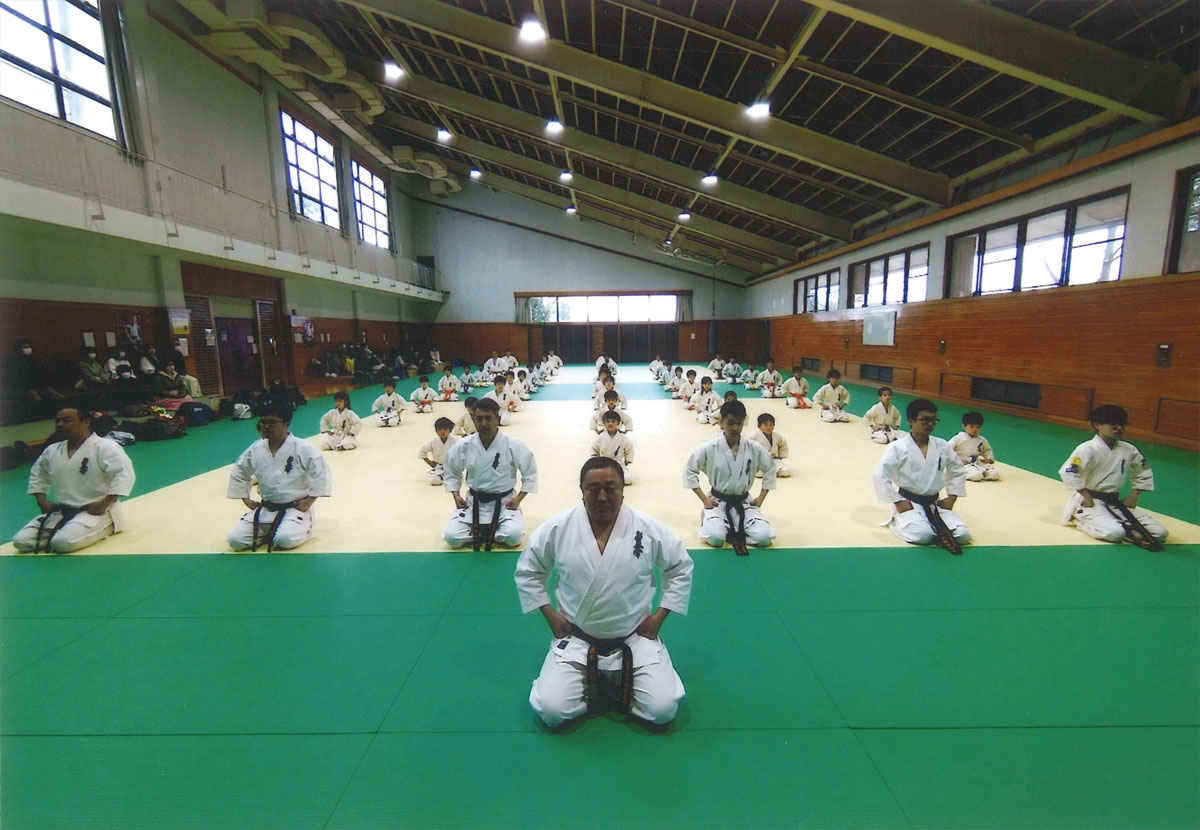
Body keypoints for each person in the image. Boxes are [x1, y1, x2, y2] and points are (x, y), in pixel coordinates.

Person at [516, 457, 692, 727]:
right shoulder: (557, 528)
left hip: (634, 638)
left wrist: (659, 616)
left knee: (662, 710)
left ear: (623, 489)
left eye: (610, 488)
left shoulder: (646, 527)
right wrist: (551, 615)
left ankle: (610, 684)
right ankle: (603, 685)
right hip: (577, 639)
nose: (602, 497)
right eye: (593, 489)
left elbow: (680, 566)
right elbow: (529, 571)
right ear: (581, 490)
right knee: (551, 711)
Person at [12, 407, 135, 554]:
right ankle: (68, 529)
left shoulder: (106, 447)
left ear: (86, 422)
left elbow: (123, 476)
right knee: (21, 541)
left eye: (67, 420)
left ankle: (109, 524)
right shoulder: (52, 450)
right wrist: (42, 501)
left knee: (62, 543)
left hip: (96, 511)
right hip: (63, 511)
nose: (60, 425)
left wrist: (104, 504)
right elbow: (38, 474)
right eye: (57, 421)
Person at [1058, 404, 1167, 550]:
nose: (1119, 428)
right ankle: (1079, 518)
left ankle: (1118, 525)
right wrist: (1085, 495)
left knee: (1160, 533)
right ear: (1097, 425)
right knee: (1115, 534)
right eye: (1113, 424)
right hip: (1089, 501)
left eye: (1122, 424)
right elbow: (1069, 471)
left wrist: (1134, 495)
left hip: (1115, 501)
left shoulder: (1129, 449)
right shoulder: (1087, 448)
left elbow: (1142, 471)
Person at [227, 402, 331, 552]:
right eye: (263, 422)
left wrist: (310, 500)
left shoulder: (302, 447)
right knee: (235, 541)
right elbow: (240, 471)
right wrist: (245, 498)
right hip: (266, 509)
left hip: (294, 509)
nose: (266, 427)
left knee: (285, 540)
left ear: (286, 424)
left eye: (272, 422)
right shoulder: (256, 448)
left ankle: (303, 527)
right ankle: (271, 531)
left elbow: (322, 473)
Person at [873, 399, 971, 554]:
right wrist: (898, 502)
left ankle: (928, 524)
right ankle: (897, 520)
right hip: (909, 503)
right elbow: (880, 475)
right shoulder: (897, 447)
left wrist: (952, 497)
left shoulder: (942, 445)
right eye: (925, 420)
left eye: (933, 420)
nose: (930, 424)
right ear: (911, 421)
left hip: (935, 503)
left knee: (962, 535)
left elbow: (957, 470)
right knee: (923, 536)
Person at [442, 397, 537, 550]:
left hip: (504, 501)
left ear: (497, 418)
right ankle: (489, 533)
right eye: (479, 419)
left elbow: (530, 473)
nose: (484, 423)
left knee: (513, 537)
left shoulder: (513, 444)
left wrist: (518, 499)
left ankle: (483, 532)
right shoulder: (464, 445)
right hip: (474, 501)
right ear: (473, 419)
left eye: (488, 418)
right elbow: (452, 472)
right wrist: (456, 496)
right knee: (451, 537)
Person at [684, 400, 776, 555]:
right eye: (730, 423)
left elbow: (770, 469)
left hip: (744, 502)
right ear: (721, 422)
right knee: (715, 538)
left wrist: (761, 498)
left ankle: (730, 527)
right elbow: (689, 470)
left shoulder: (753, 448)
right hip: (717, 502)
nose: (735, 428)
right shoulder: (709, 448)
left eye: (739, 423)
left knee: (764, 538)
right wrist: (704, 500)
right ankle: (713, 520)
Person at [949, 412, 1000, 481]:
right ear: (964, 426)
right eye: (971, 427)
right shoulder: (958, 438)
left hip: (976, 462)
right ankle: (959, 474)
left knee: (994, 474)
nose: (974, 430)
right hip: (962, 462)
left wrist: (988, 458)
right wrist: (954, 460)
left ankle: (982, 473)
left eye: (978, 427)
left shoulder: (982, 440)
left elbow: (987, 450)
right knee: (976, 476)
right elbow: (948, 449)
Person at [591, 410, 635, 483]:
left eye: (613, 421)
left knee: (628, 479)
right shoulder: (601, 437)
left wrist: (628, 460)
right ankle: (612, 480)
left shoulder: (622, 437)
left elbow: (629, 449)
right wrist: (595, 460)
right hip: (604, 463)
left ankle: (612, 480)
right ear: (604, 424)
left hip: (618, 463)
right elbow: (594, 449)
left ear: (618, 423)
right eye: (608, 421)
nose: (610, 423)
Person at [418, 417, 460, 486]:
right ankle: (443, 477)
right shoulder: (433, 442)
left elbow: (463, 454)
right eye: (439, 429)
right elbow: (422, 452)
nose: (442, 432)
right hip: (438, 468)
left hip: (451, 468)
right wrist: (430, 463)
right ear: (436, 431)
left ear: (450, 430)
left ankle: (447, 476)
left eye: (445, 429)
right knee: (434, 480)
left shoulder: (456, 442)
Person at [750, 412, 790, 477]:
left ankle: (773, 472)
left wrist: (781, 456)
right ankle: (772, 472)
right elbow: (748, 448)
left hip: (774, 459)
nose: (769, 427)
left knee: (787, 470)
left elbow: (783, 445)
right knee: (759, 473)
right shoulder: (754, 436)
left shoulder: (777, 436)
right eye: (765, 425)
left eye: (771, 425)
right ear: (759, 426)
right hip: (759, 461)